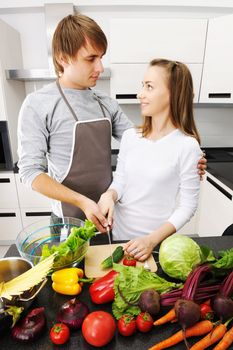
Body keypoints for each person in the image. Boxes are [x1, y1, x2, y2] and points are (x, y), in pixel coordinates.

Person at [17, 14, 206, 234]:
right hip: (68, 222)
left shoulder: (105, 103)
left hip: (108, 217)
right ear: (63, 58)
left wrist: (189, 160)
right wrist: (82, 202)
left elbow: (144, 142)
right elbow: (30, 172)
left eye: (101, 57)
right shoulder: (38, 104)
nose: (100, 67)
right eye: (91, 58)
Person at [99, 59, 203, 261]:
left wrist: (151, 240)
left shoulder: (187, 146)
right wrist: (109, 195)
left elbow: (188, 206)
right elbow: (120, 181)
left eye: (149, 87)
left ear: (173, 93)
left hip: (155, 246)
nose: (140, 94)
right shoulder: (130, 136)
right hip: (119, 240)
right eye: (142, 86)